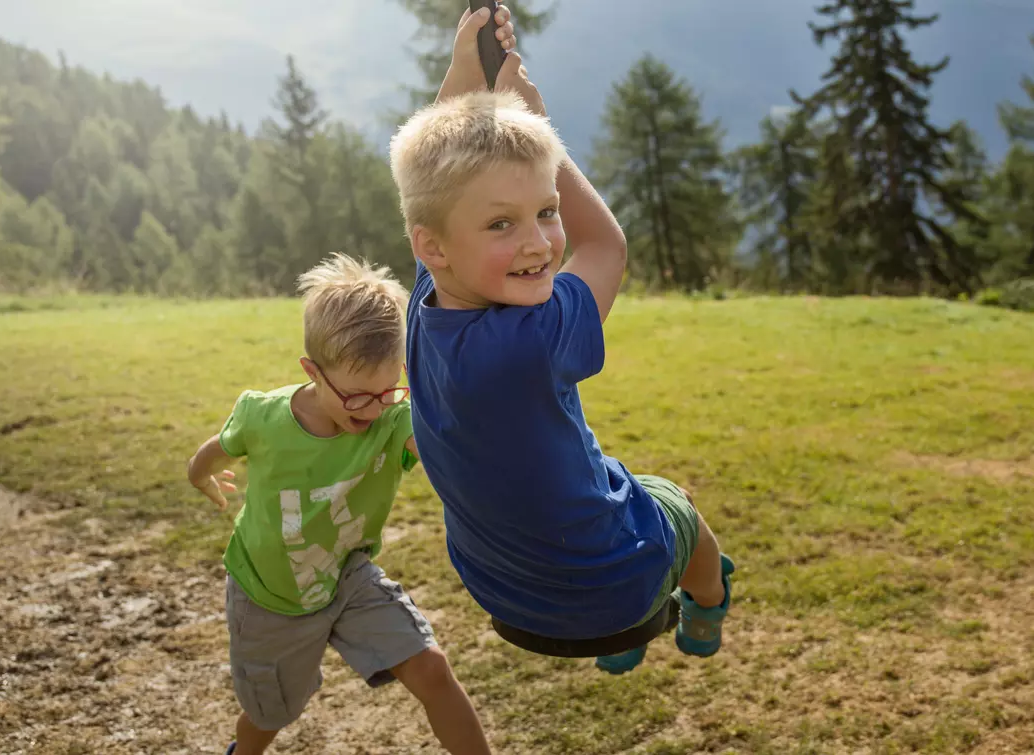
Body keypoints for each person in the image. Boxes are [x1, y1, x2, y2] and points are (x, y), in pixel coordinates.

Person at [387, 5, 736, 676]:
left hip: (502, 591)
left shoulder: (427, 300)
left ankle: (623, 632)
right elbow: (604, 244)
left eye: (545, 213)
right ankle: (707, 599)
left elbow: (432, 191)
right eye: (500, 224)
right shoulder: (530, 339)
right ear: (438, 247)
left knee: (605, 477)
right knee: (676, 503)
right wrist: (542, 133)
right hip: (611, 590)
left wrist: (466, 78)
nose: (537, 243)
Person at [187, 252, 495, 754]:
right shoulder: (264, 418)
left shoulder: (394, 418)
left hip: (349, 576)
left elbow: (451, 448)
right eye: (357, 395)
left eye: (386, 391)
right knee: (271, 715)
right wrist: (199, 476)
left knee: (432, 669)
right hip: (270, 596)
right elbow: (214, 450)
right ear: (313, 370)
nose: (373, 410)